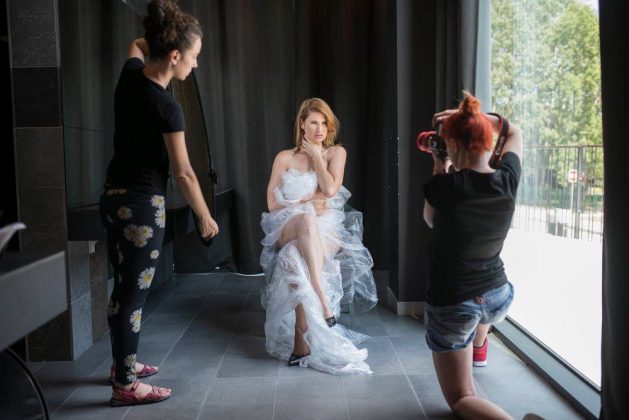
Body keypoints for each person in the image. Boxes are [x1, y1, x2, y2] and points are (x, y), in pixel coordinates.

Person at [99, 0, 218, 406]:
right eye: (193, 56)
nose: (195, 64)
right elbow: (184, 174)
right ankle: (125, 386)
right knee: (132, 298)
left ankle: (122, 366)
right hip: (142, 207)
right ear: (174, 56)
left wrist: (165, 33)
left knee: (123, 290)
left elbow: (138, 43)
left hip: (113, 199)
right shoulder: (167, 106)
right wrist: (205, 216)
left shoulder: (130, 77)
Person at [422, 92, 523, 419]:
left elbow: (430, 220)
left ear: (452, 145)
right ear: (487, 141)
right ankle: (479, 345)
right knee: (479, 310)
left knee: (461, 398)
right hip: (498, 296)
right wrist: (471, 117)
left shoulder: (446, 187)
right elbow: (515, 132)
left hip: (453, 303)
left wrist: (439, 166)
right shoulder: (507, 180)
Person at [260, 98, 378, 375]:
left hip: (327, 227)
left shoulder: (336, 152)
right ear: (302, 124)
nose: (320, 129)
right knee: (305, 217)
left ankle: (300, 337)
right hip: (288, 223)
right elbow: (271, 204)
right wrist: (302, 203)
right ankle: (321, 294)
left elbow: (330, 189)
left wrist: (316, 157)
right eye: (314, 122)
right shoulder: (284, 157)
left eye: (325, 123)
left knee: (293, 254)